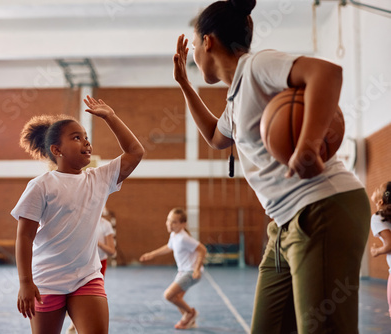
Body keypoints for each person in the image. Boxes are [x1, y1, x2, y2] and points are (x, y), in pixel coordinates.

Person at [172, 1, 370, 333]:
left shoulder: (256, 66)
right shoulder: (234, 98)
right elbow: (214, 137)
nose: (192, 55)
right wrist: (184, 85)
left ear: (208, 42)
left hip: (322, 206)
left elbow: (327, 73)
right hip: (283, 223)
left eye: (193, 45)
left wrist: (307, 145)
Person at [12, 96, 144, 334]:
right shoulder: (41, 186)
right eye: (76, 137)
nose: (86, 143)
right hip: (47, 281)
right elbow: (24, 237)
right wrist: (25, 283)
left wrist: (111, 117)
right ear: (56, 150)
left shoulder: (99, 179)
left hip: (86, 277)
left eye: (86, 137)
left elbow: (135, 152)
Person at [139, 208, 207, 329]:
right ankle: (189, 321)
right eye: (168, 220)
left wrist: (196, 269)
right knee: (177, 298)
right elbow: (168, 247)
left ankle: (190, 313)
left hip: (190, 272)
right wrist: (152, 254)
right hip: (183, 271)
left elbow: (202, 250)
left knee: (168, 295)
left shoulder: (184, 238)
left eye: (174, 222)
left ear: (183, 224)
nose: (169, 224)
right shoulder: (174, 235)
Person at [67, 208, 116, 333]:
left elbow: (112, 251)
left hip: (98, 264)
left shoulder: (105, 225)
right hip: (80, 262)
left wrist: (98, 244)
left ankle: (78, 323)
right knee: (74, 290)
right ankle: (75, 321)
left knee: (90, 294)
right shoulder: (80, 221)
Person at [370, 182, 391, 319]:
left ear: (380, 201)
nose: (375, 188)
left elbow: (390, 244)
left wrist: (377, 251)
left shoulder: (377, 217)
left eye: (378, 188)